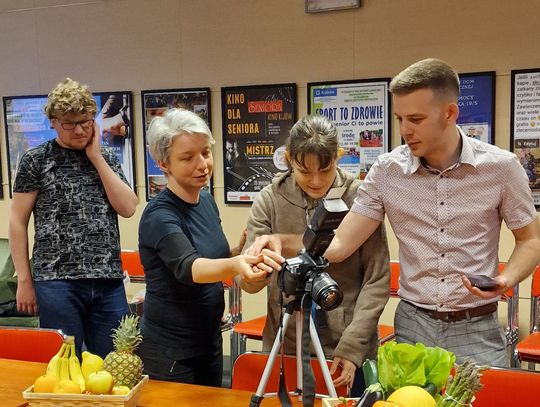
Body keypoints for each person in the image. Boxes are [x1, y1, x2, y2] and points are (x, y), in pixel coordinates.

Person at [325, 58, 540, 367]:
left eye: (415, 118)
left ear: (450, 112)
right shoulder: (386, 172)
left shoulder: (502, 168)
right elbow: (340, 245)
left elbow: (530, 240)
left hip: (476, 327)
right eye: (400, 118)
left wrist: (506, 279)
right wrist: (284, 243)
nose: (404, 130)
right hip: (413, 326)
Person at [240, 115, 390, 396]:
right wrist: (254, 271)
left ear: (339, 156)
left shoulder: (361, 198)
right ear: (288, 158)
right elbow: (249, 282)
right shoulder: (269, 200)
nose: (316, 180)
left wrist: (354, 345)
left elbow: (377, 278)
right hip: (285, 345)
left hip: (346, 349)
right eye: (304, 170)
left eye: (326, 168)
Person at [137, 108, 283, 387]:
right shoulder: (159, 215)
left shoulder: (205, 201)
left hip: (209, 340)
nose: (202, 164)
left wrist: (239, 252)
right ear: (162, 163)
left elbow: (212, 258)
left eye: (205, 152)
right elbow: (189, 267)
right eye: (187, 158)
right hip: (170, 352)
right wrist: (236, 264)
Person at [9, 78, 138, 358]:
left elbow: (128, 208)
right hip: (56, 280)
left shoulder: (105, 157)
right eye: (70, 123)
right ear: (54, 122)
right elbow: (17, 223)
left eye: (86, 121)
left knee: (116, 361)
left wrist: (96, 158)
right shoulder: (36, 160)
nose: (80, 130)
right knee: (66, 365)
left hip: (107, 278)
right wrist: (24, 281)